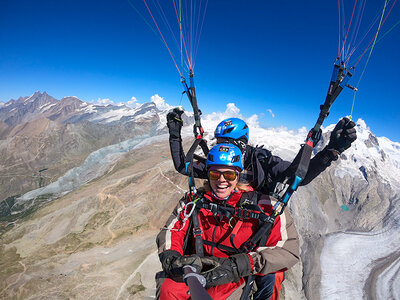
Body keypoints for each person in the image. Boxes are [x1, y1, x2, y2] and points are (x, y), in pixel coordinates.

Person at [157, 143, 300, 300]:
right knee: (168, 290)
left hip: (235, 277)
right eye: (214, 174)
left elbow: (287, 250)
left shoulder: (265, 207)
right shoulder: (193, 201)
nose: (221, 180)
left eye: (229, 175)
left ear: (238, 175)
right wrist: (171, 257)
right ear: (208, 175)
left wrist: (240, 265)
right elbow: (173, 230)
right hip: (196, 268)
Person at [166, 108, 357, 193]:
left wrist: (330, 152)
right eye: (219, 142)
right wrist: (175, 135)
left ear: (241, 143)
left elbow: (297, 177)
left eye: (226, 141)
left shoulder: (262, 160)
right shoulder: (218, 163)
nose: (220, 147)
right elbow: (184, 167)